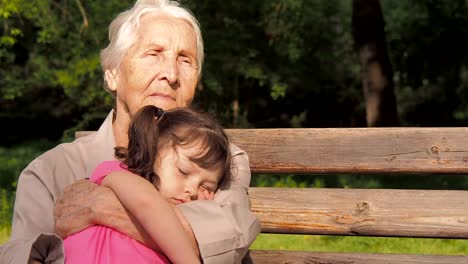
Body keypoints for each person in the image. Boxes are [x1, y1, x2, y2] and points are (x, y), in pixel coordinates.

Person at [0, 0, 261, 263]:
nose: (171, 74)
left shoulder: (222, 159)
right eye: (153, 53)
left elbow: (229, 236)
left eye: (185, 60)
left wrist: (101, 208)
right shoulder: (51, 171)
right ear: (112, 74)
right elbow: (20, 253)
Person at [64, 105, 232, 264]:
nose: (193, 190)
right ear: (152, 151)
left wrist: (201, 212)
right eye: (183, 171)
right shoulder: (118, 174)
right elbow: (147, 204)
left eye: (206, 187)